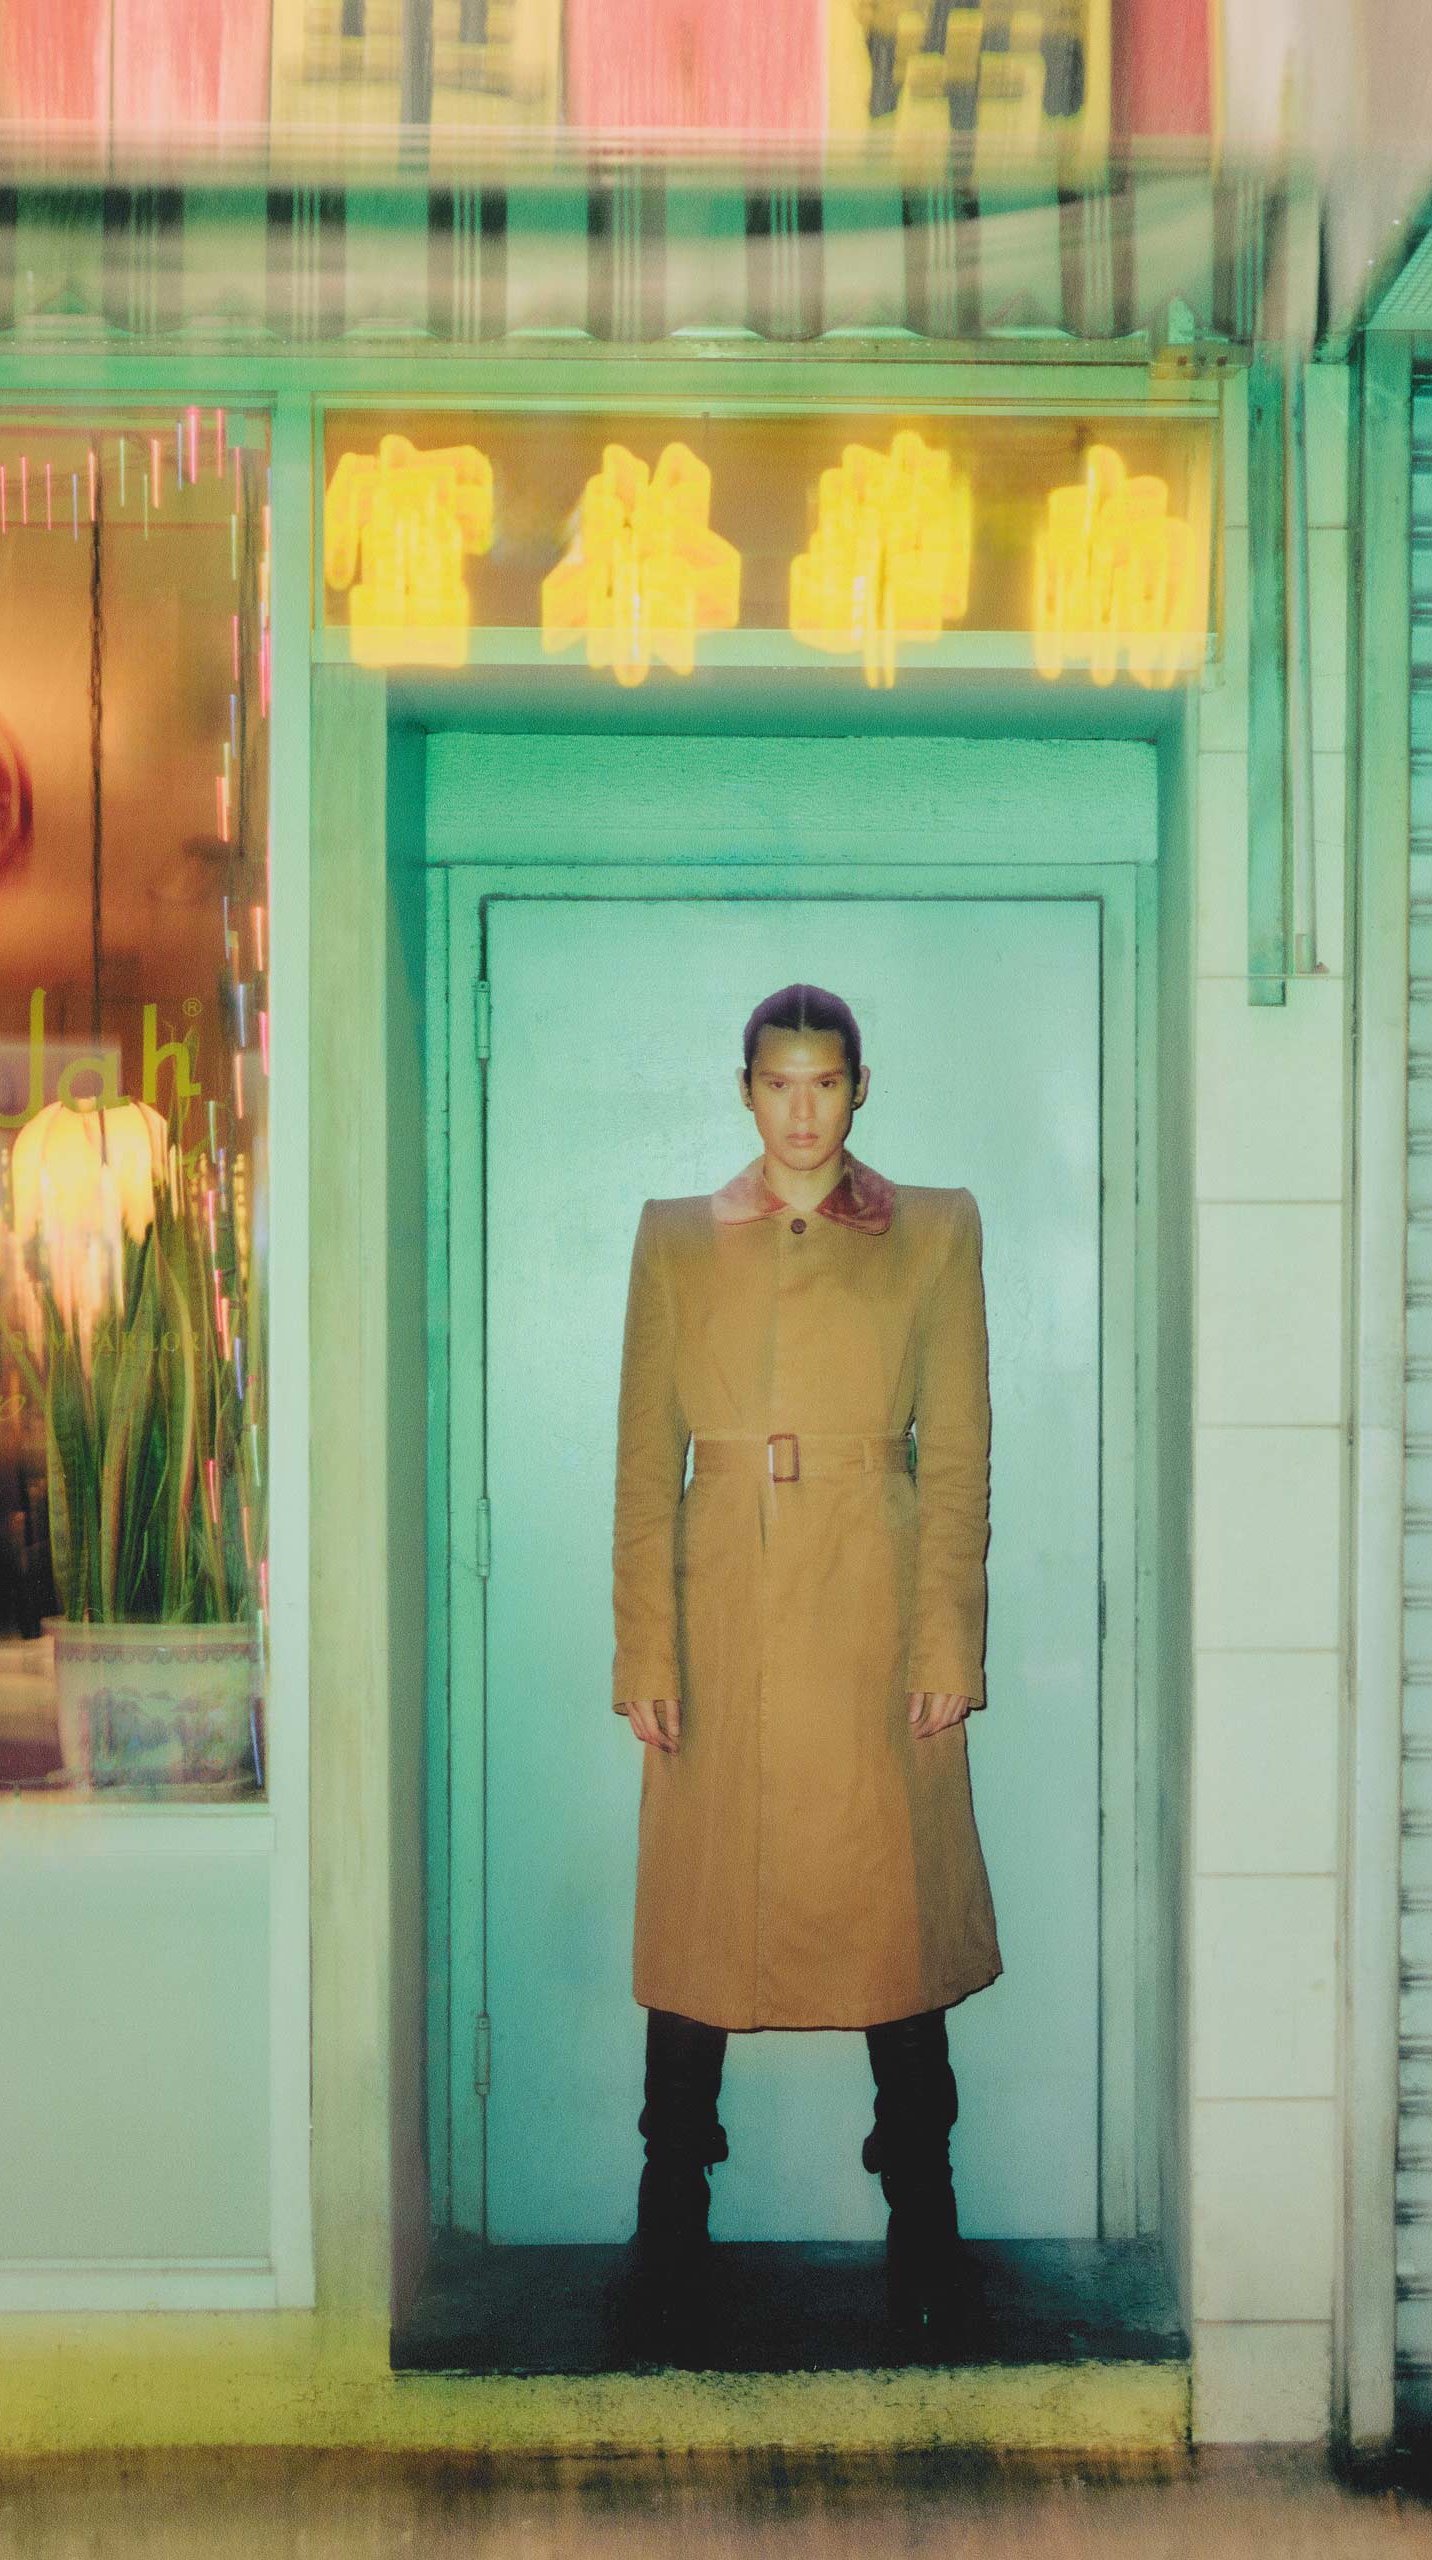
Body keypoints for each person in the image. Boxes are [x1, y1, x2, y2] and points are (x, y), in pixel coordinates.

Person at [610, 981, 999, 2339]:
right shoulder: (675, 1240)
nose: (801, 1111)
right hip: (718, 1618)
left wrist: (948, 1641)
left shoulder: (933, 1232)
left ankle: (925, 2213)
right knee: (701, 1924)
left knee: (894, 1920)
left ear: (858, 1087)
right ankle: (670, 2212)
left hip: (870, 1616)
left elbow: (959, 1463)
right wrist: (645, 1651)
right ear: (745, 1091)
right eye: (777, 1084)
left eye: (825, 1083)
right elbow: (639, 1470)